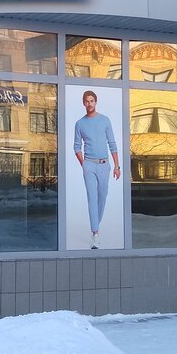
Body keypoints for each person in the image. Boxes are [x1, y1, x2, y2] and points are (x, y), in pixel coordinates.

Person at [73, 90, 119, 249]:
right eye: (87, 101)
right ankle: (95, 233)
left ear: (96, 102)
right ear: (83, 103)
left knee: (102, 196)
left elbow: (112, 144)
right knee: (92, 197)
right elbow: (76, 147)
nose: (89, 104)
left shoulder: (105, 120)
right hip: (89, 165)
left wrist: (117, 166)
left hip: (104, 164)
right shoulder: (80, 124)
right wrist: (84, 164)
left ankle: (95, 223)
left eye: (92, 100)